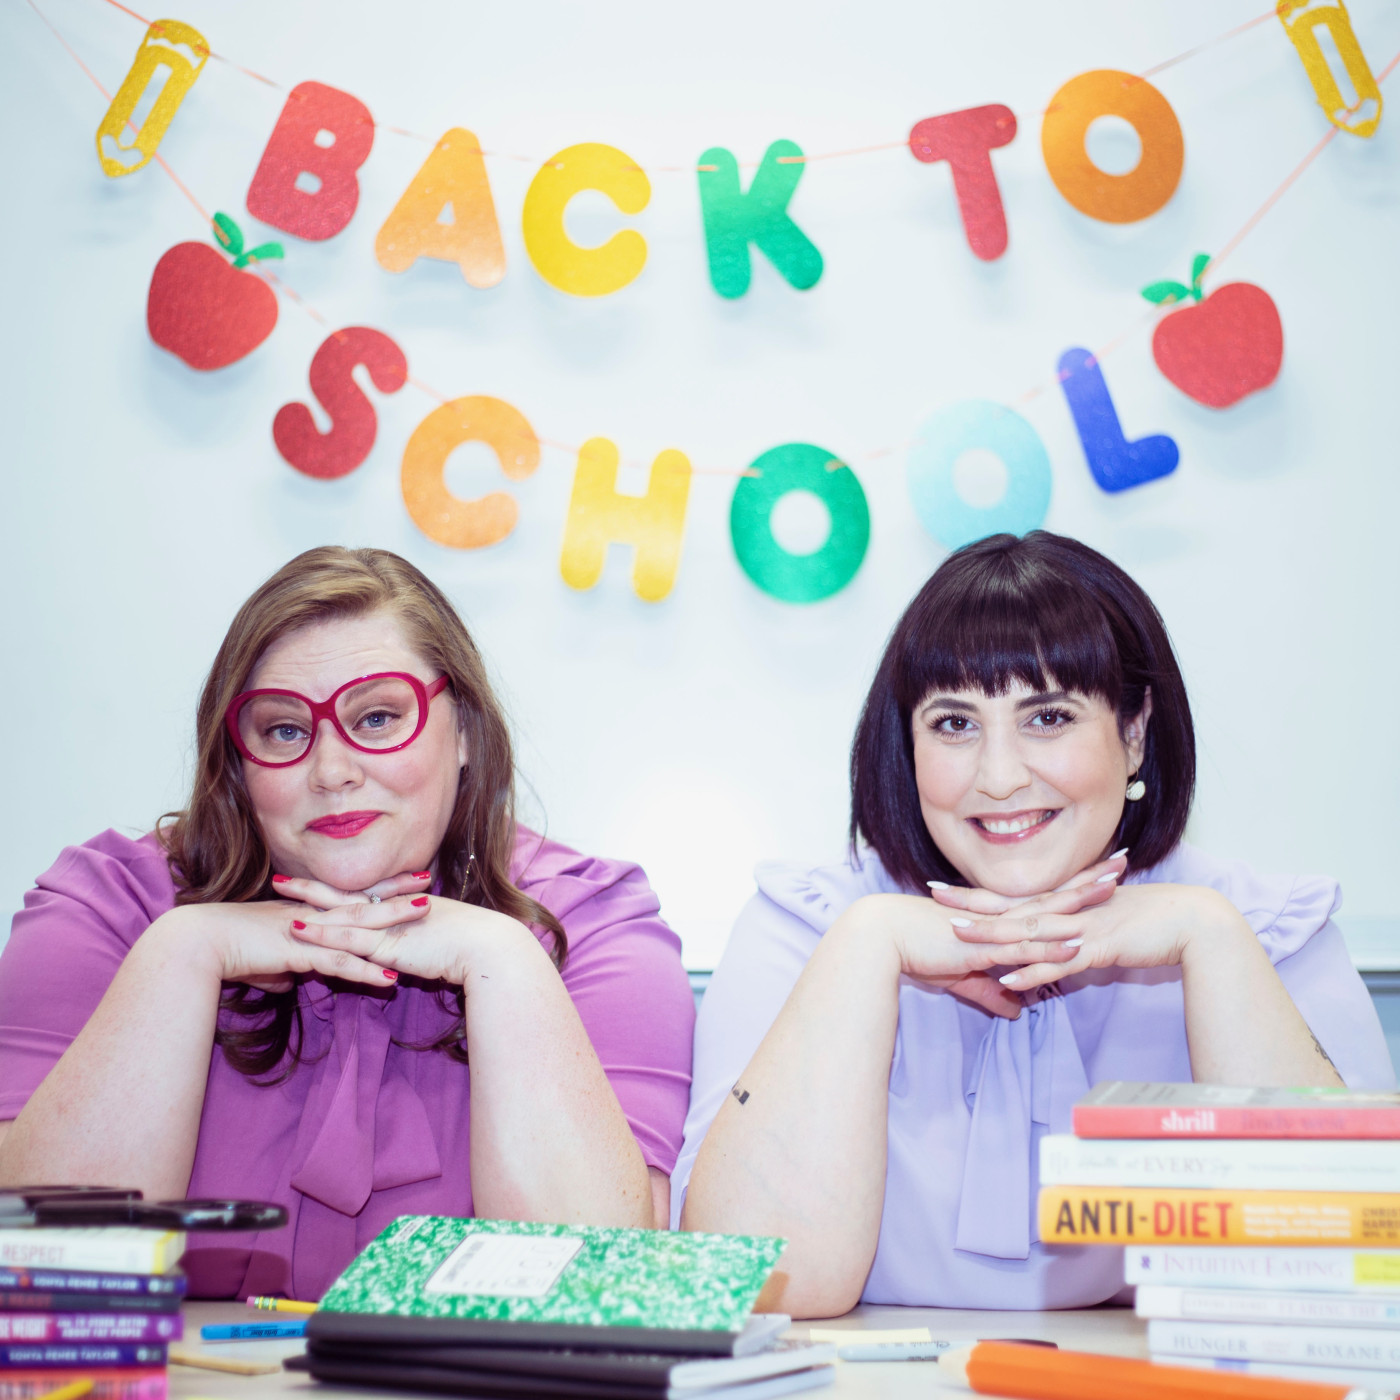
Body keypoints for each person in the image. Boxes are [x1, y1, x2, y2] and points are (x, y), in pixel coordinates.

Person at [673, 530, 1394, 1317]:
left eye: (1048, 717)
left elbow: (1345, 1284)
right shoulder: (805, 927)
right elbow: (750, 1290)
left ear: (1133, 732)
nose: (1001, 776)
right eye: (953, 724)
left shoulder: (1267, 928)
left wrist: (1212, 942)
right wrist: (867, 947)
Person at [0, 547, 695, 1301]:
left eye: (377, 717)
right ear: (237, 761)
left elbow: (599, 1293)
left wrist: (504, 958)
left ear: (462, 730)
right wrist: (184, 950)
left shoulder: (592, 922)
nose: (332, 770)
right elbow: (39, 1280)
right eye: (284, 732)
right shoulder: (107, 906)